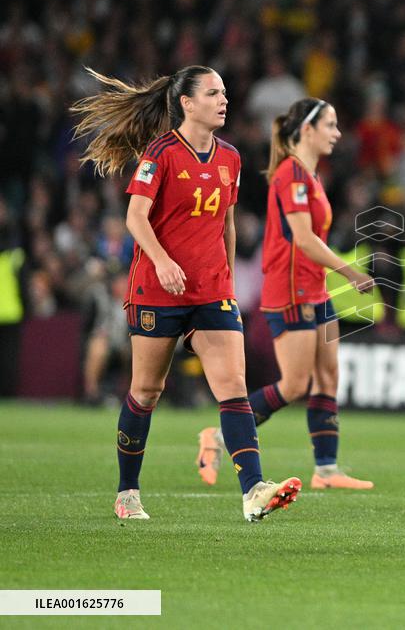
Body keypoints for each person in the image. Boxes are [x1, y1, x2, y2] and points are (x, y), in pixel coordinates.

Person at [71, 66, 301, 522]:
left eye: (225, 91)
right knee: (146, 390)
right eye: (213, 93)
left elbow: (228, 224)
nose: (224, 100)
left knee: (233, 388)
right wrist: (161, 260)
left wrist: (228, 282)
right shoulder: (161, 153)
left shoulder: (230, 157)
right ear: (187, 103)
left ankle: (253, 490)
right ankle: (127, 491)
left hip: (211, 291)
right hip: (158, 290)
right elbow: (137, 217)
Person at [196, 97, 375, 490]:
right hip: (290, 290)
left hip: (315, 289)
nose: (337, 133)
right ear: (307, 130)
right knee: (294, 385)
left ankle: (326, 470)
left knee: (328, 375)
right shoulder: (290, 175)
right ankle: (219, 438)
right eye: (330, 125)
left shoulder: (310, 176)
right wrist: (349, 272)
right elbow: (304, 239)